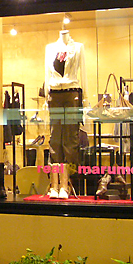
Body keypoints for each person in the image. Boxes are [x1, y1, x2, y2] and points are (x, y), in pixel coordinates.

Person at [44, 21, 86, 198]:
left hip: (71, 92)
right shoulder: (50, 48)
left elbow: (83, 74)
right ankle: (54, 185)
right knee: (55, 139)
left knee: (70, 138)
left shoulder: (78, 47)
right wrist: (46, 96)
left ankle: (66, 184)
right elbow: (46, 73)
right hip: (54, 93)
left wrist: (85, 100)